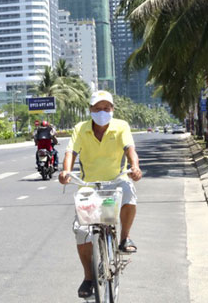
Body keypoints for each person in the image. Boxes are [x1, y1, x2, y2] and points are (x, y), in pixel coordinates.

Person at [58, 90, 142, 298]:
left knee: (130, 195)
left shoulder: (121, 126)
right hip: (89, 186)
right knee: (82, 231)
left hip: (116, 181)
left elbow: (130, 149)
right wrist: (65, 172)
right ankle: (88, 278)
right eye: (97, 109)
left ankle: (124, 238)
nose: (102, 112)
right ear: (90, 110)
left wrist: (135, 167)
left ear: (112, 110)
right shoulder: (81, 129)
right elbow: (71, 153)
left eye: (106, 108)